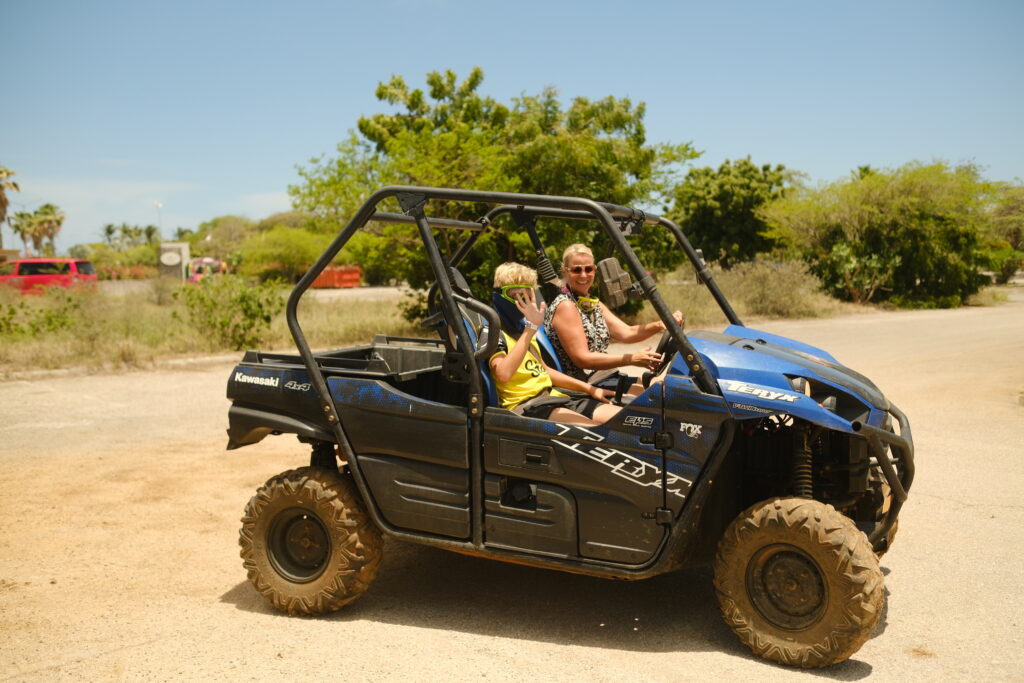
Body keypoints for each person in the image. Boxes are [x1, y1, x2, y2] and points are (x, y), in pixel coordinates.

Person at [488, 262, 620, 426]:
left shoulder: (524, 330)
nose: (522, 302)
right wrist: (531, 328)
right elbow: (503, 373)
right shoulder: (493, 332)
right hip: (527, 405)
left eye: (527, 295)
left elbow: (545, 371)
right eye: (515, 296)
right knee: (601, 434)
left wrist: (590, 389)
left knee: (624, 422)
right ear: (500, 296)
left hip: (554, 397)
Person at [544, 243, 684, 384]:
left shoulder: (592, 303)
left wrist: (661, 324)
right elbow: (583, 359)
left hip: (603, 377)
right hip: (582, 385)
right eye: (576, 270)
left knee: (663, 386)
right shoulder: (566, 306)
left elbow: (627, 332)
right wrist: (631, 359)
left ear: (595, 270)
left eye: (588, 269)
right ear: (564, 271)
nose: (583, 275)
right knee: (658, 395)